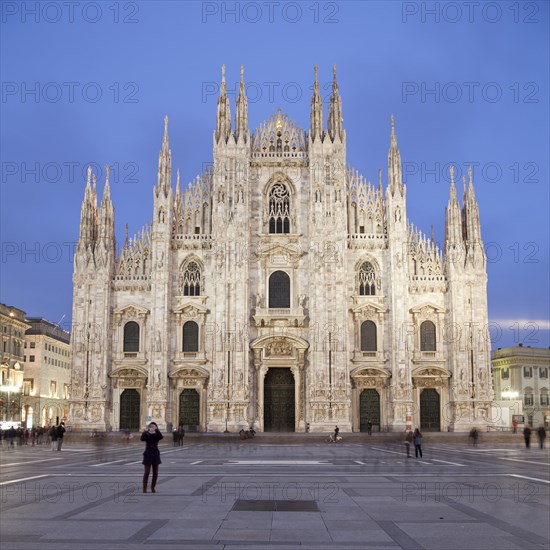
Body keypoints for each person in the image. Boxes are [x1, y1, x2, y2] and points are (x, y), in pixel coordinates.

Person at [141, 422, 163, 493]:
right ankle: (144, 488)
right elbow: (142, 438)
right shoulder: (146, 434)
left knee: (155, 473)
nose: (152, 428)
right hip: (148, 454)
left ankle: (153, 487)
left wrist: (156, 430)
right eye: (151, 426)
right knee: (147, 472)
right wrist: (146, 431)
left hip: (155, 454)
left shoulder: (157, 435)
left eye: (154, 427)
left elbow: (161, 437)